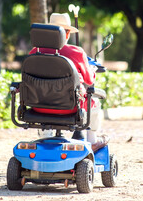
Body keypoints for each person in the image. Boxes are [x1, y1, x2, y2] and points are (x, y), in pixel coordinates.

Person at [29, 13, 108, 152]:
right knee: (94, 101)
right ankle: (92, 141)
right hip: (70, 108)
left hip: (38, 107)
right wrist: (92, 70)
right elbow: (89, 80)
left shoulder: (35, 51)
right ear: (66, 34)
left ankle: (45, 136)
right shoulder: (76, 52)